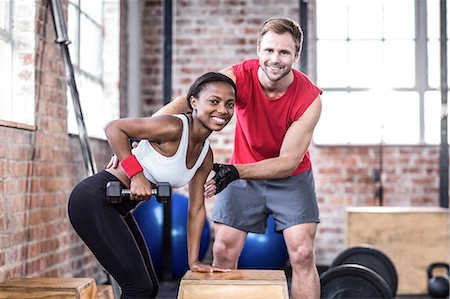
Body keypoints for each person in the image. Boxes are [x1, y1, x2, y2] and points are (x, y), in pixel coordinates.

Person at [153, 18, 323, 299]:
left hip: (289, 178)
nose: (275, 59)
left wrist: (233, 172)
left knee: (303, 253)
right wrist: (141, 134)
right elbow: (189, 101)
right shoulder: (238, 76)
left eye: (284, 52)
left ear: (296, 55)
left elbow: (287, 162)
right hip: (243, 173)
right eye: (268, 50)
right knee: (222, 249)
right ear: (258, 49)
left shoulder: (309, 98)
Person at [68, 72, 236, 299]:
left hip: (119, 208)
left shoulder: (205, 155)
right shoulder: (174, 126)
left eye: (229, 104)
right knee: (139, 289)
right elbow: (114, 128)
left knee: (150, 288)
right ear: (194, 102)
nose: (223, 110)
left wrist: (194, 261)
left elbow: (196, 209)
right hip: (94, 199)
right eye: (214, 101)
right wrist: (136, 175)